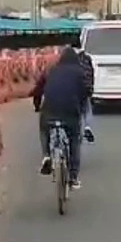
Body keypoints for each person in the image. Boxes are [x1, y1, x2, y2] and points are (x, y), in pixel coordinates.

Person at [32, 46, 90, 189]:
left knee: (44, 129)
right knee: (74, 140)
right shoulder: (80, 72)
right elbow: (87, 91)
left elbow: (37, 91)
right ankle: (74, 177)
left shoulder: (51, 71)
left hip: (49, 110)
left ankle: (46, 155)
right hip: (70, 112)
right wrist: (81, 106)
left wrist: (37, 106)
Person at [76, 47, 95, 143]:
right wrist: (91, 88)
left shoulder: (70, 59)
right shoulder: (87, 58)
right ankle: (87, 127)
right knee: (87, 109)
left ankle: (77, 129)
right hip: (85, 88)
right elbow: (91, 74)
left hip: (74, 89)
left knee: (76, 110)